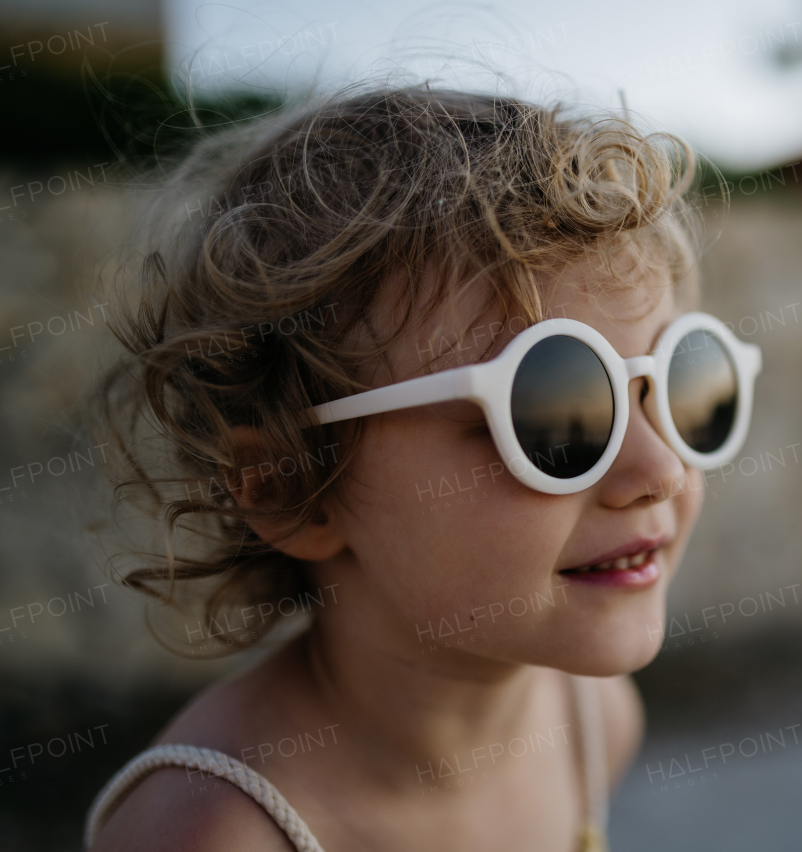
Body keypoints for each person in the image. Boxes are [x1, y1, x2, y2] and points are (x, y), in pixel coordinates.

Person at [84, 84, 760, 852]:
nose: (659, 468)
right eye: (552, 410)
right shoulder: (218, 835)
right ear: (290, 485)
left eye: (678, 380)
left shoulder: (596, 721)